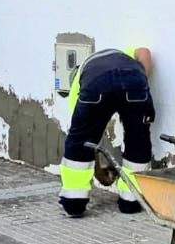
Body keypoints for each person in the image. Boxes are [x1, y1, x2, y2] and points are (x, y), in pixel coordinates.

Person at [60, 45, 159, 216]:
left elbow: (86, 141)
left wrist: (97, 170)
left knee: (79, 141)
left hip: (97, 84)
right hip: (135, 80)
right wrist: (140, 80)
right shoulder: (124, 54)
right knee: (138, 140)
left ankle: (74, 202)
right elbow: (145, 52)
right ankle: (131, 200)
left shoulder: (81, 79)